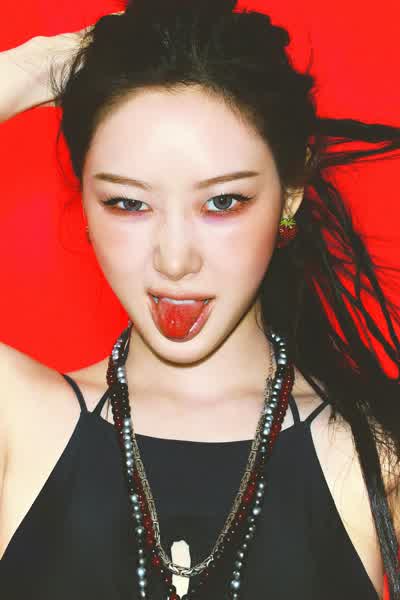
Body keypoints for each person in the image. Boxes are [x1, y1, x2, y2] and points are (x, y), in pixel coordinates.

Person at [0, 1, 399, 598]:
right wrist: (45, 66)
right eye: (127, 203)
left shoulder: (374, 452)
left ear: (290, 193)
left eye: (223, 202)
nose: (175, 260)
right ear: (83, 198)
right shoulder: (19, 422)